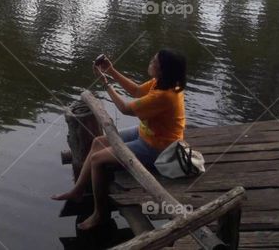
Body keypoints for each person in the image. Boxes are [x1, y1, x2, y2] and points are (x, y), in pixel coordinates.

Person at [52, 49, 187, 230]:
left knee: (97, 160)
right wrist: (111, 70)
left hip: (158, 146)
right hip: (148, 134)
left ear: (163, 70)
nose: (150, 62)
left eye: (154, 62)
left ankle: (100, 213)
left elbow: (125, 108)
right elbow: (137, 91)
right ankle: (78, 190)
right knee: (98, 142)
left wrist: (106, 83)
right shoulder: (161, 83)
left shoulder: (164, 96)